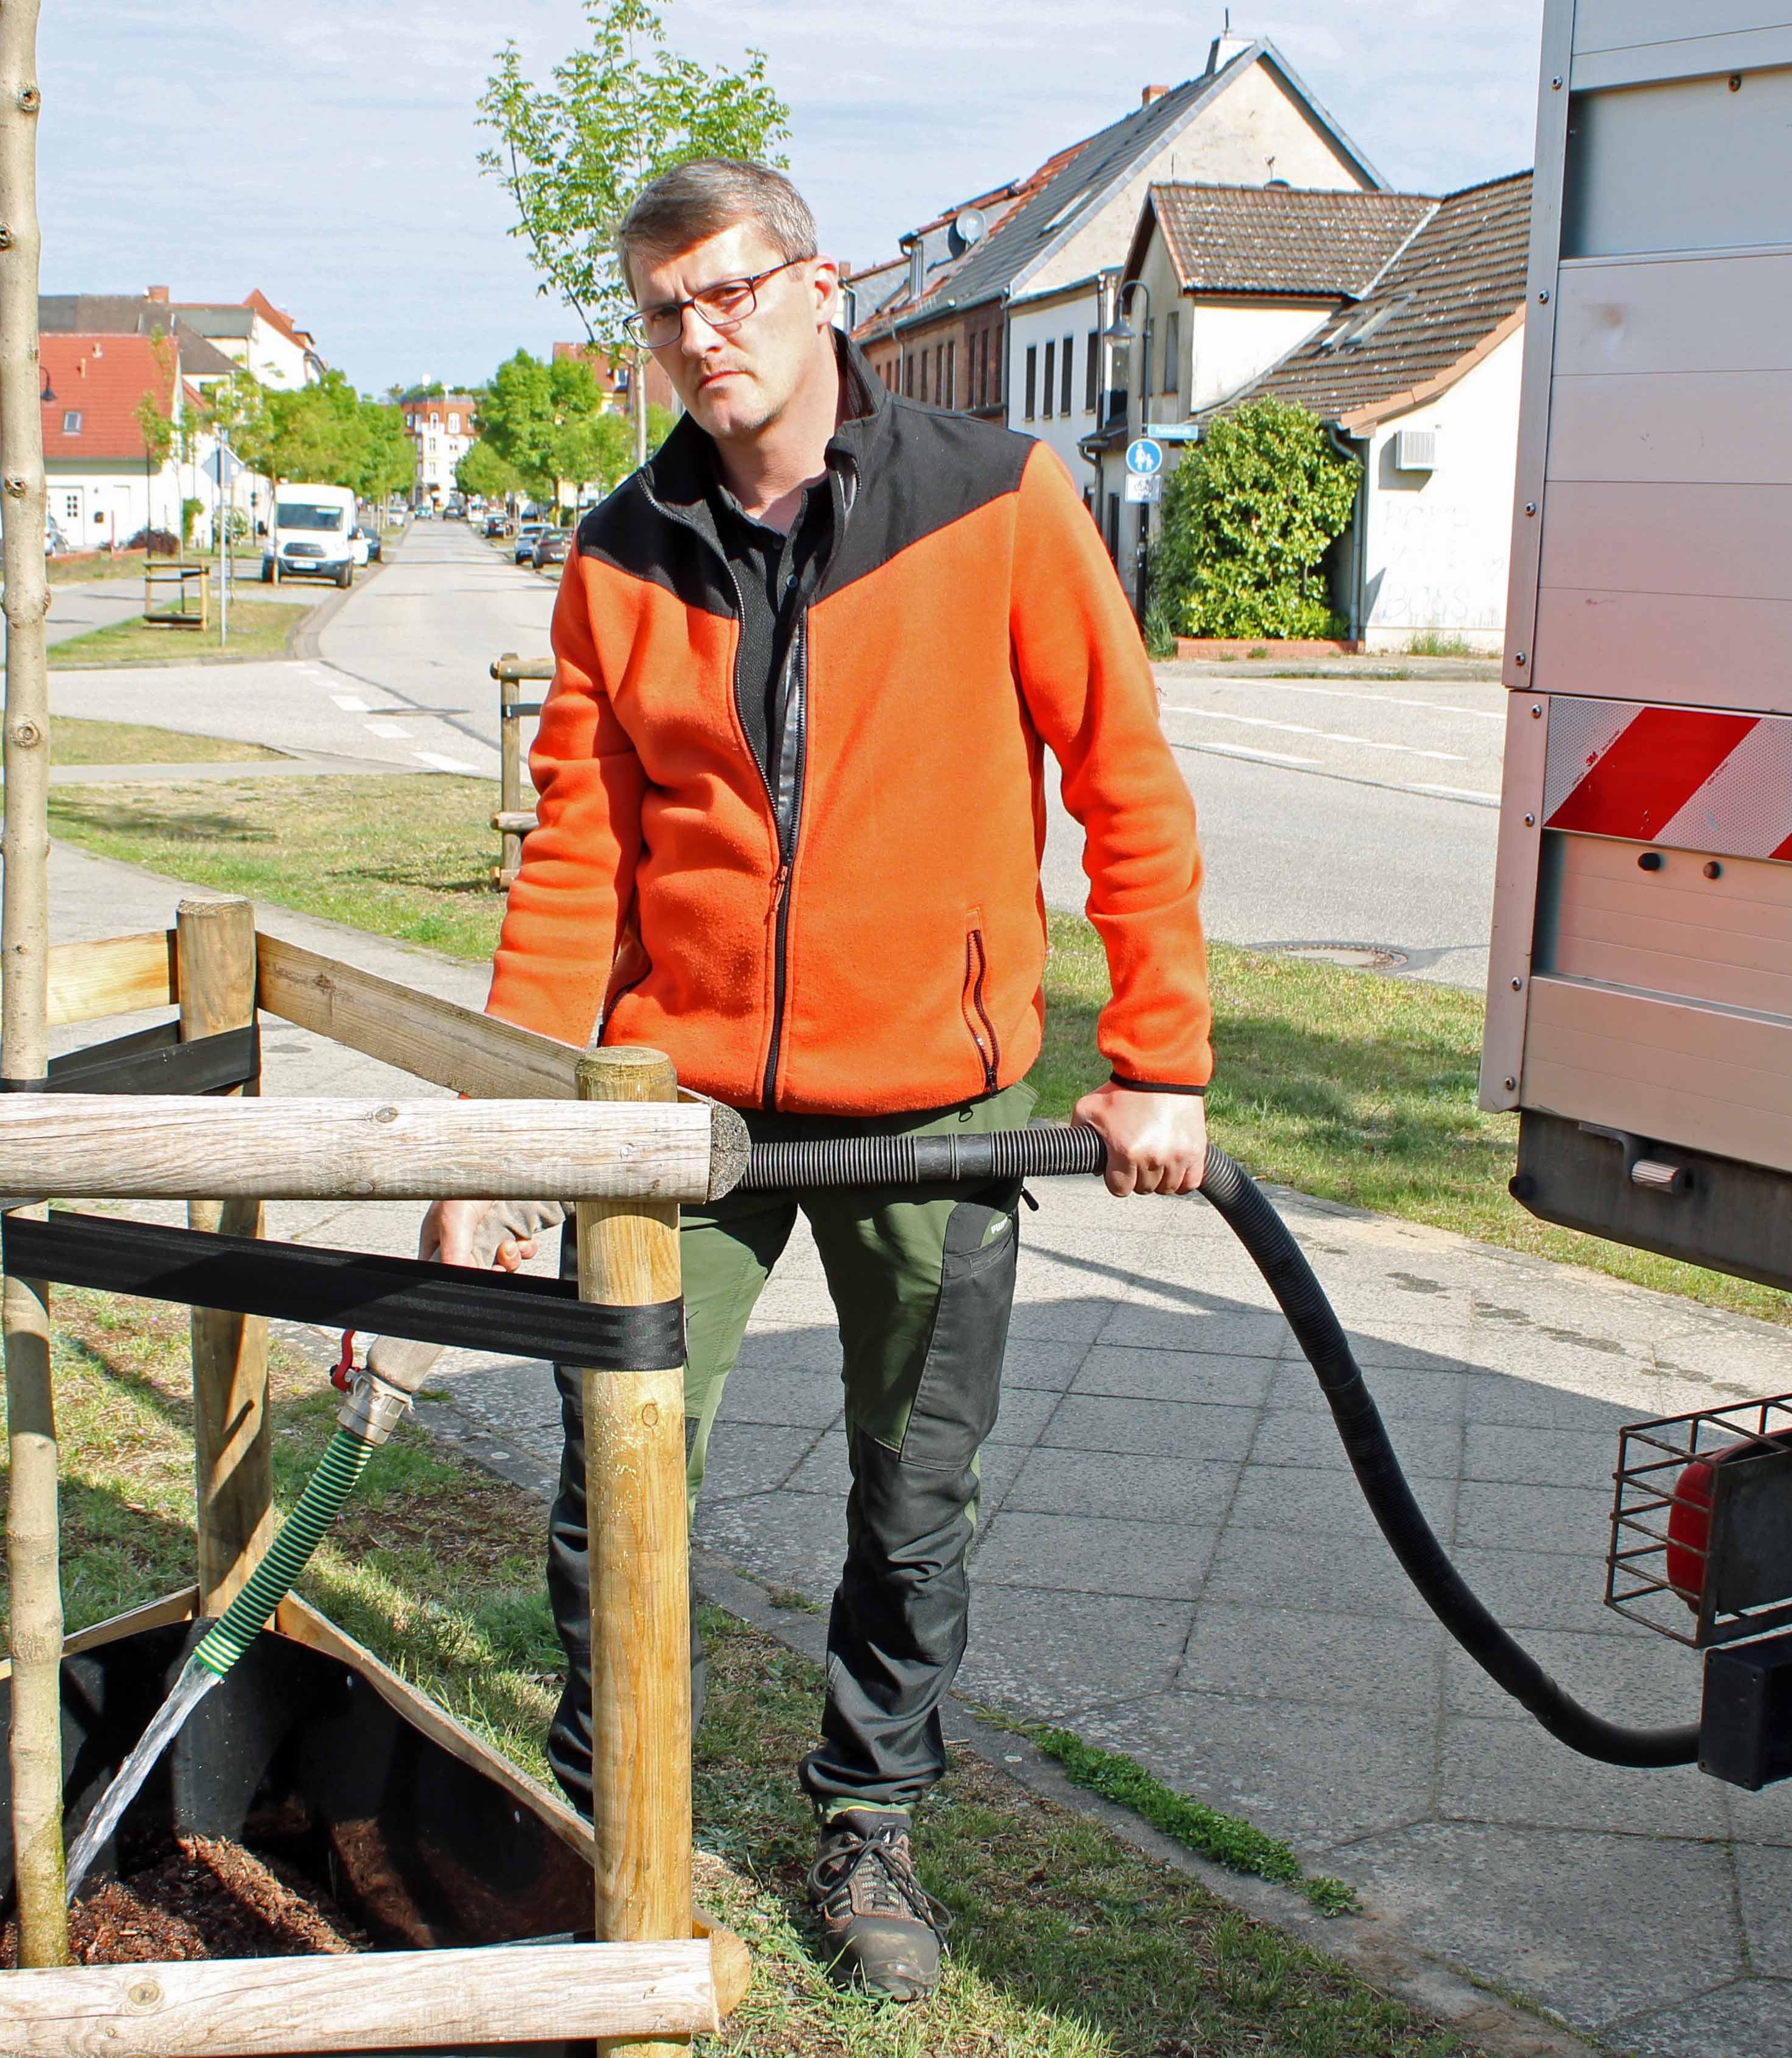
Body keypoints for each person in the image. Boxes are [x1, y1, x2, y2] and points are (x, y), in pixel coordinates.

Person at [423, 158, 1213, 2002]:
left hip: (937, 1108)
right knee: (615, 1469)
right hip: (681, 1110)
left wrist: (1159, 1062)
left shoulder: (996, 498)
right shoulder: (620, 550)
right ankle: (610, 1808)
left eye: (730, 290)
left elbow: (1124, 783)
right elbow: (574, 858)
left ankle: (867, 1821)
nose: (702, 334)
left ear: (819, 282)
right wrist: (497, 1133)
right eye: (665, 310)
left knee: (910, 1491)